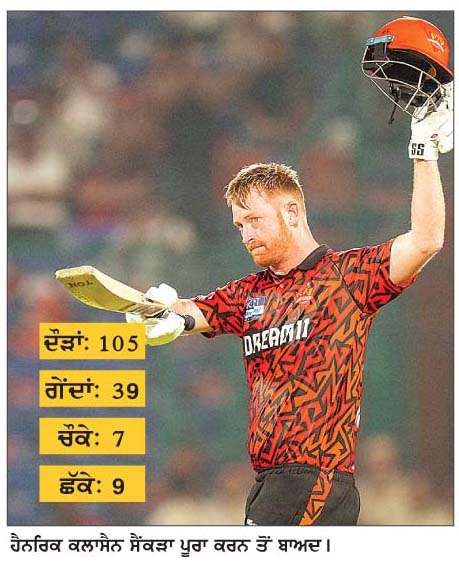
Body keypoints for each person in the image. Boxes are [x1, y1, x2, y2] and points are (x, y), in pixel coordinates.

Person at [127, 79, 452, 527]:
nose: (246, 235)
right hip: (268, 483)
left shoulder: (347, 277)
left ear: (293, 212)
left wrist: (424, 151)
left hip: (315, 481)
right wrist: (162, 308)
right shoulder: (249, 293)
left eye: (254, 220)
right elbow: (194, 311)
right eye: (239, 225)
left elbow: (427, 239)